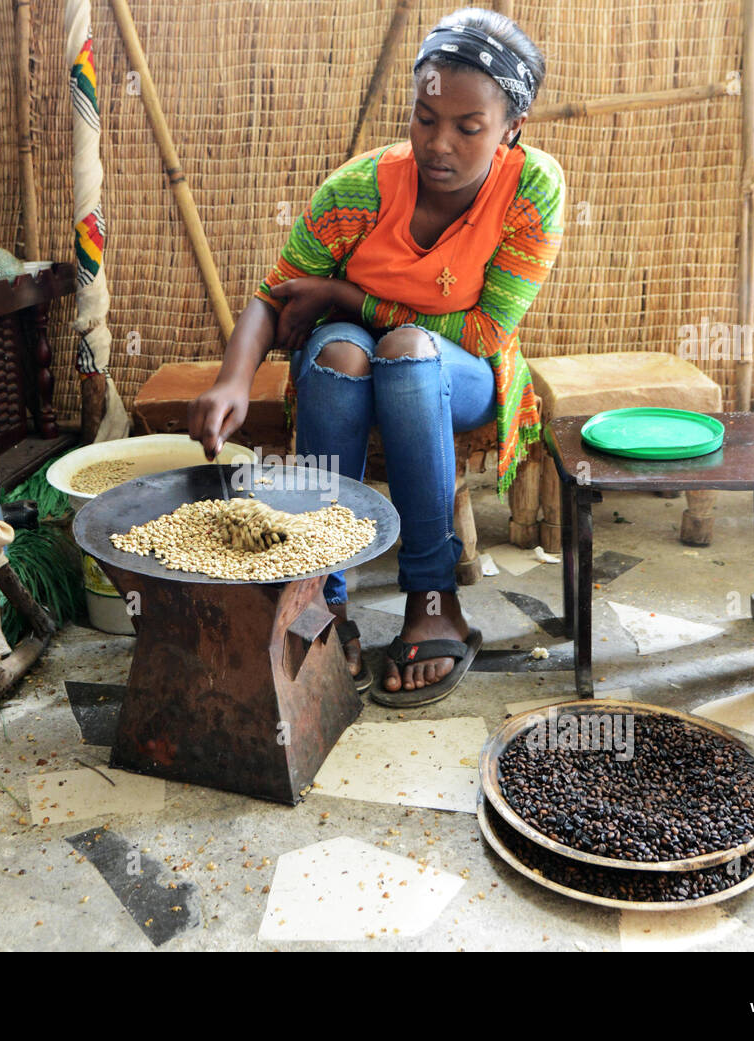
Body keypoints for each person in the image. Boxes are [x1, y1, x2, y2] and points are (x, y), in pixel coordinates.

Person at [189, 7, 565, 707]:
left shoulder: (533, 191)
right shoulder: (360, 190)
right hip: (352, 363)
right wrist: (232, 382)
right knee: (339, 354)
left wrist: (345, 292)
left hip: (463, 373)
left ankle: (433, 595)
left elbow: (482, 333)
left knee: (407, 349)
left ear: (513, 129)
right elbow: (272, 299)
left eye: (468, 127)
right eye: (426, 118)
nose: (438, 144)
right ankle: (322, 596)